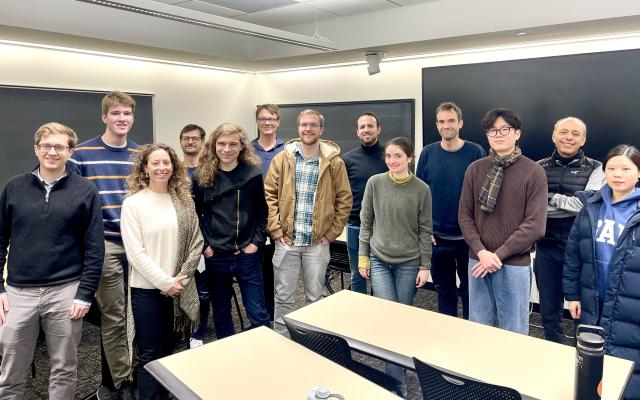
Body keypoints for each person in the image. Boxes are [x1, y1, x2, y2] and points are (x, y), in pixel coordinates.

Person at [0, 122, 104, 399]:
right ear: (36, 150)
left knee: (64, 367)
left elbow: (95, 247)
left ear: (70, 152)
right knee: (10, 370)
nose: (52, 152)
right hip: (18, 293)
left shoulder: (85, 191)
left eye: (60, 146)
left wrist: (85, 294)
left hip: (66, 291)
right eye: (46, 146)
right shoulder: (13, 188)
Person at [69, 90, 138, 398]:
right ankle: (122, 381)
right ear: (104, 117)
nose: (122, 119)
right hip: (105, 245)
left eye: (127, 113)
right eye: (116, 114)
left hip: (138, 244)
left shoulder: (140, 154)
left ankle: (134, 368)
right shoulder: (82, 154)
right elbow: (73, 203)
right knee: (115, 315)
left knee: (137, 312)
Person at [121, 143, 202, 400]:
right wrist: (164, 282)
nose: (161, 168)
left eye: (166, 162)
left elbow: (196, 242)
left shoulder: (184, 202)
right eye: (155, 163)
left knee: (171, 349)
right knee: (150, 354)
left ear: (173, 167)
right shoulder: (134, 204)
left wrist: (181, 279)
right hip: (146, 290)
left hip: (178, 288)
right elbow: (135, 253)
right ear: (145, 168)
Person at [458, 108, 547, 335]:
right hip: (478, 261)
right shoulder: (475, 169)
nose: (498, 134)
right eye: (492, 130)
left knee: (514, 331)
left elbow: (535, 225)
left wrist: (497, 255)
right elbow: (465, 215)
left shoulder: (534, 172)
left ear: (517, 133)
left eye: (504, 129)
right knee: (478, 327)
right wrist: (481, 252)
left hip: (513, 264)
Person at [264, 109, 352, 335]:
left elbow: (344, 199)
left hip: (317, 244)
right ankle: (281, 340)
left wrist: (331, 234)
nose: (308, 129)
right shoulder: (282, 159)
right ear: (298, 128)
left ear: (321, 130)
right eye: (304, 125)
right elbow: (269, 196)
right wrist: (275, 231)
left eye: (313, 125)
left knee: (316, 297)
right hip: (286, 242)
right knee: (283, 297)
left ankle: (314, 342)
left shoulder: (334, 162)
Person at [563, 144, 640, 400]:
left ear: (638, 173)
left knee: (627, 367)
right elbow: (574, 253)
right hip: (592, 299)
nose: (618, 174)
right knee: (590, 367)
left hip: (631, 305)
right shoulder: (591, 206)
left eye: (626, 169)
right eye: (612, 168)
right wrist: (572, 294)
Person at [358, 137, 432, 396]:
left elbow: (425, 230)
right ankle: (397, 384)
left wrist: (425, 265)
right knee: (389, 318)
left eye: (398, 156)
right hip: (379, 260)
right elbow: (365, 221)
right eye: (388, 156)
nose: (392, 161)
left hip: (409, 263)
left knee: (403, 318)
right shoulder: (375, 183)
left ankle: (400, 365)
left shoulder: (421, 189)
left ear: (409, 158)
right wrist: (363, 257)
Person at [193, 123, 271, 339]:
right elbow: (196, 215)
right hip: (216, 255)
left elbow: (261, 212)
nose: (227, 149)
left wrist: (255, 243)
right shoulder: (201, 177)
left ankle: (268, 356)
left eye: (232, 144)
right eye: (222, 144)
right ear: (213, 145)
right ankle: (228, 358)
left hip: (247, 254)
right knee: (221, 312)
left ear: (242, 147)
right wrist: (206, 247)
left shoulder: (253, 173)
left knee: (257, 312)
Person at [535, 117, 604, 343]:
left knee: (581, 310)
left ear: (583, 139)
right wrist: (569, 205)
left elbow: (585, 206)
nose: (569, 137)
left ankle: (582, 359)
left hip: (582, 252)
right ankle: (553, 351)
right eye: (564, 132)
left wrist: (550, 199)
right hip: (546, 248)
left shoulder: (598, 169)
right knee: (548, 308)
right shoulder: (537, 168)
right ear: (554, 136)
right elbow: (531, 209)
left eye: (576, 134)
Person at [417, 101, 485, 319]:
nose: (446, 126)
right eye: (442, 122)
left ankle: (468, 338)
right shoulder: (427, 153)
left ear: (460, 123)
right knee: (443, 292)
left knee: (470, 292)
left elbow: (482, 196)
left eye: (451, 121)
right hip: (437, 239)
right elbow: (420, 196)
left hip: (468, 239)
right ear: (437, 125)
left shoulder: (475, 152)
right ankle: (448, 337)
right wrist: (424, 231)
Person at [342, 112, 387, 294]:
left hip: (383, 228)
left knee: (380, 276)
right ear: (357, 131)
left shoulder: (389, 157)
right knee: (357, 275)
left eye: (370, 126)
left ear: (378, 129)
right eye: (362, 127)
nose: (366, 130)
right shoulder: (347, 160)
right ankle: (359, 314)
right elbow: (341, 194)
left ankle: (377, 316)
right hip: (355, 227)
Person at [251, 104, 285, 321]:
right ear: (257, 122)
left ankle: (275, 316)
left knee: (278, 270)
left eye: (271, 119)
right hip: (253, 217)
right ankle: (260, 316)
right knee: (255, 270)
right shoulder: (247, 150)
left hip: (279, 217)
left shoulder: (287, 150)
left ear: (277, 122)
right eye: (263, 119)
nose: (267, 123)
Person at [179, 123, 211, 348]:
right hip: (179, 238)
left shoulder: (209, 170)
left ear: (202, 142)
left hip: (205, 240)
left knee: (203, 289)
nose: (190, 142)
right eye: (186, 138)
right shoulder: (174, 169)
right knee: (178, 285)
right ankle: (180, 328)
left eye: (195, 139)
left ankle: (198, 331)